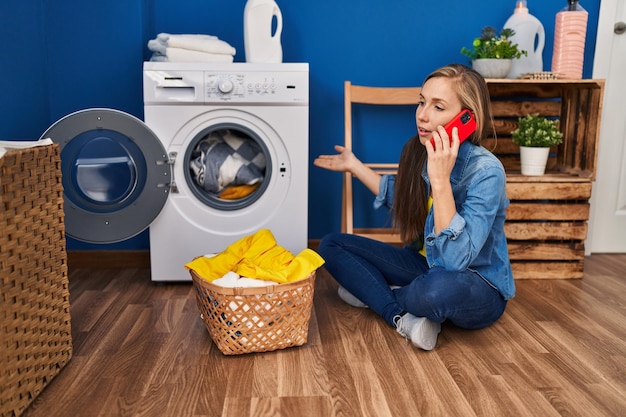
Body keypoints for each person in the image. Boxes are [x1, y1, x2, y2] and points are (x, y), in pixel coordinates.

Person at [314, 63, 514, 351]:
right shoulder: (419, 151)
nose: (422, 114)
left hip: (476, 284)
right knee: (332, 245)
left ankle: (379, 294)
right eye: (422, 102)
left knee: (434, 291)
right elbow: (402, 197)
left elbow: (454, 262)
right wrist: (354, 165)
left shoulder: (486, 172)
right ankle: (399, 315)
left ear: (467, 117)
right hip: (425, 266)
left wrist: (441, 181)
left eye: (438, 107)